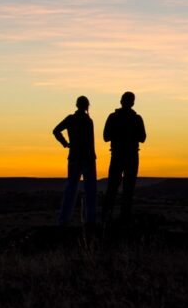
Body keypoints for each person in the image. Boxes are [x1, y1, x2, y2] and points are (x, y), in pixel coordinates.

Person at [102, 91, 146, 223]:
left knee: (112, 187)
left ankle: (107, 217)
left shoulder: (113, 117)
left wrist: (118, 134)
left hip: (117, 155)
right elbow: (142, 138)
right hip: (131, 156)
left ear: (121, 101)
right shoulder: (137, 118)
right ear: (132, 103)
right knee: (128, 188)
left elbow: (106, 137)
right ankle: (124, 218)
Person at [53, 95, 97, 226]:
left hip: (74, 157)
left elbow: (56, 131)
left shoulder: (71, 119)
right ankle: (90, 221)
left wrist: (66, 144)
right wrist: (66, 144)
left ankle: (64, 220)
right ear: (87, 106)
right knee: (90, 190)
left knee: (71, 189)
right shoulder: (88, 121)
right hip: (88, 158)